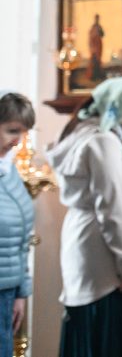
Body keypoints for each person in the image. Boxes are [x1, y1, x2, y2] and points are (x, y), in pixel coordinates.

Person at [46, 75, 122, 357]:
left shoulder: (82, 134)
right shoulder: (103, 142)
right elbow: (113, 209)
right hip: (104, 257)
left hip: (83, 243)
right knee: (109, 337)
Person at [0, 92, 35, 357]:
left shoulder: (8, 170)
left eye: (22, 133)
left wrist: (21, 292)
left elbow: (23, 238)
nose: (17, 141)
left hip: (7, 291)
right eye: (12, 130)